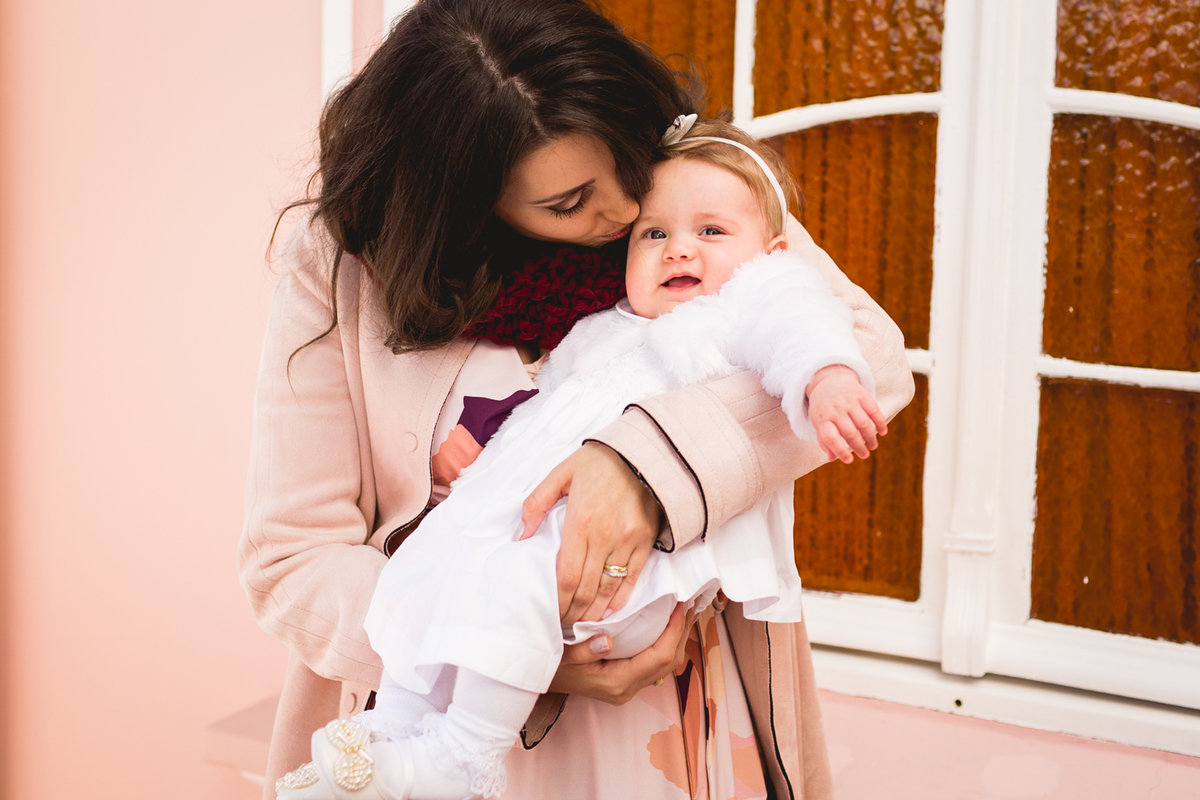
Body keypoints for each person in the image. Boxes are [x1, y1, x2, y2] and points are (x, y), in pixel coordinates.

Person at [240, 2, 916, 798]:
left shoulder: (684, 185)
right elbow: (291, 557)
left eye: (626, 167)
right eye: (570, 203)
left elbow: (865, 357)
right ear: (464, 201)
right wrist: (509, 653)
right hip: (439, 703)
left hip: (668, 721)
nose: (627, 213)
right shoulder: (347, 261)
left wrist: (646, 465)